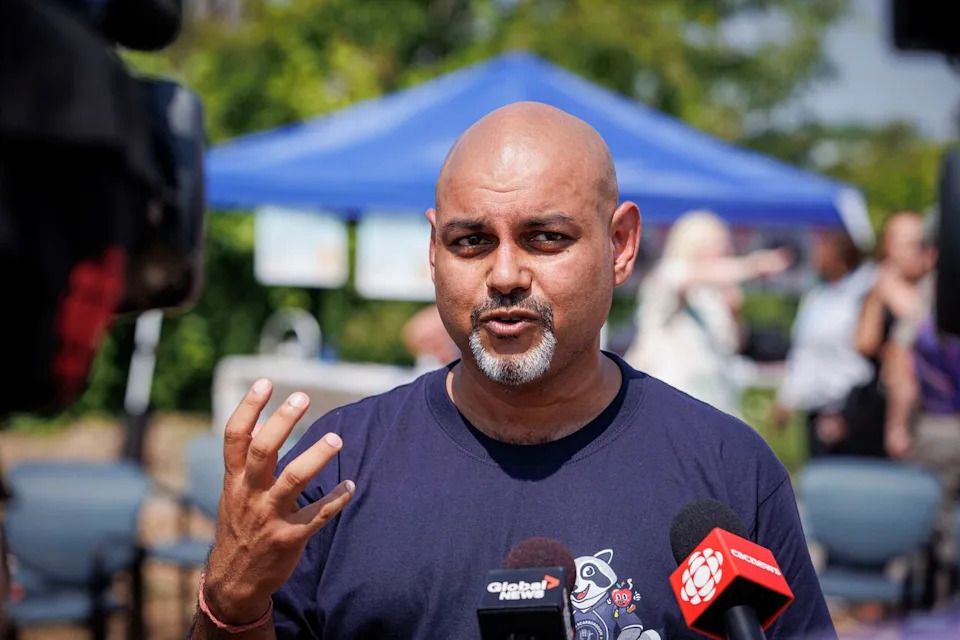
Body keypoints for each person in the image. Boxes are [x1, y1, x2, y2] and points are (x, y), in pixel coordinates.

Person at [192, 102, 835, 640]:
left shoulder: (726, 473)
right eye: (470, 241)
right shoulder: (335, 471)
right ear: (433, 251)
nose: (504, 276)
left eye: (545, 238)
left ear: (621, 246)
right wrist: (230, 603)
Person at [624, 211, 790, 416]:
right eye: (719, 243)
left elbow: (735, 346)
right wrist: (753, 266)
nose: (727, 250)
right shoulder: (669, 273)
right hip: (672, 392)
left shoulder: (717, 293)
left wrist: (735, 313)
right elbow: (688, 276)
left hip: (715, 394)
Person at [772, 229, 874, 457]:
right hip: (817, 406)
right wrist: (788, 397)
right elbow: (804, 351)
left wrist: (840, 412)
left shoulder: (863, 292)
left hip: (850, 405)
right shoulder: (817, 297)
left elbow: (856, 355)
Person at [845, 211, 933, 457]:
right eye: (905, 244)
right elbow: (863, 343)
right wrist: (878, 295)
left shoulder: (932, 287)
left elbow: (923, 326)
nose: (913, 251)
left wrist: (893, 291)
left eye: (919, 243)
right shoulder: (878, 286)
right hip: (880, 400)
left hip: (925, 405)